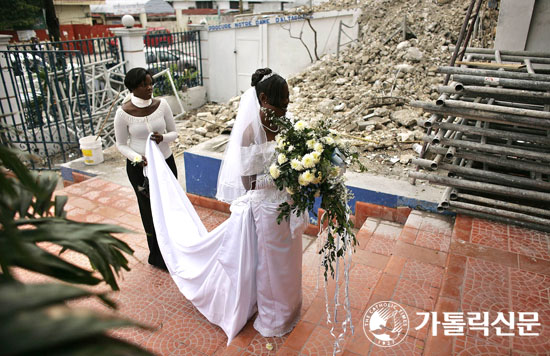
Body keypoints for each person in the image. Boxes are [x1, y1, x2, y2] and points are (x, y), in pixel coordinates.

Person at [145, 68, 308, 343]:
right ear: (264, 98)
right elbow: (249, 183)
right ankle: (273, 318)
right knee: (271, 267)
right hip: (266, 210)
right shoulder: (248, 134)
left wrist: (303, 170)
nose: (284, 109)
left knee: (290, 263)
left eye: (287, 103)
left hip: (288, 205)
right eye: (280, 104)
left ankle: (291, 308)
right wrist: (285, 173)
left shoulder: (287, 123)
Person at [114, 67, 178, 271]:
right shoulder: (123, 113)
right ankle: (157, 255)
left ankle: (175, 247)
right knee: (149, 210)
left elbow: (174, 132)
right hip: (139, 168)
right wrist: (136, 158)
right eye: (144, 85)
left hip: (165, 162)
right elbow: (120, 144)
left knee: (169, 206)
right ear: (133, 88)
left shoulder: (162, 105)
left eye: (151, 83)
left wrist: (163, 138)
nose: (150, 87)